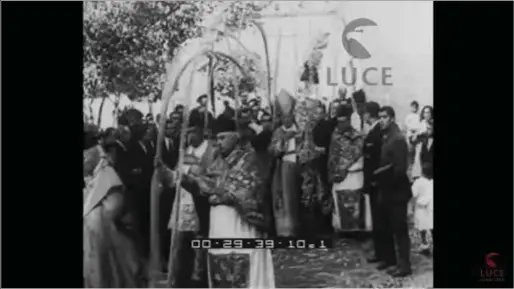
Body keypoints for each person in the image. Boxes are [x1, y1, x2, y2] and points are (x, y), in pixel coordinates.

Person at [165, 115, 275, 288]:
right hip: (219, 227)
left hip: (240, 227)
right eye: (216, 138)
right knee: (220, 272)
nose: (218, 142)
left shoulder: (249, 160)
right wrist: (173, 176)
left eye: (223, 137)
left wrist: (214, 189)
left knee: (244, 275)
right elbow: (203, 185)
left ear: (235, 136)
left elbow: (244, 191)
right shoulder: (216, 163)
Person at [83, 141, 146, 287]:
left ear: (92, 157)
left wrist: (94, 216)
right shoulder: (94, 177)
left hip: (112, 240)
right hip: (97, 240)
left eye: (85, 159)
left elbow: (114, 209)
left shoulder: (109, 177)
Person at [166, 116, 216, 288]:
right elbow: (174, 177)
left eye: (193, 131)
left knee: (201, 246)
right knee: (180, 246)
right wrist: (163, 172)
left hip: (202, 205)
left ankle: (200, 279)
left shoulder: (212, 151)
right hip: (183, 206)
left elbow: (211, 178)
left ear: (203, 131)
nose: (189, 136)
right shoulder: (184, 151)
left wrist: (195, 175)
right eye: (186, 132)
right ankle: (179, 279)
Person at [374, 106, 412, 277]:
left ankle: (404, 266)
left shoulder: (397, 139)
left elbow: (400, 168)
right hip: (388, 190)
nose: (381, 120)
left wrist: (382, 176)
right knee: (388, 227)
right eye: (380, 117)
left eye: (384, 117)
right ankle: (393, 262)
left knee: (400, 230)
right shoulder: (388, 136)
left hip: (397, 191)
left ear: (392, 118)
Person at [328, 104, 365, 233]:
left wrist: (344, 166)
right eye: (338, 121)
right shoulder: (335, 133)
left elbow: (357, 152)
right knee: (340, 202)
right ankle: (343, 228)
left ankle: (356, 228)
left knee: (354, 203)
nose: (340, 124)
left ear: (349, 121)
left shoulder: (356, 136)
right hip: (338, 175)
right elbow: (332, 154)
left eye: (343, 121)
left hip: (352, 174)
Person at [269, 113, 300, 237]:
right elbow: (273, 150)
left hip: (299, 164)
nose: (287, 119)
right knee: (286, 196)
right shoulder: (278, 131)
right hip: (284, 165)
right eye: (284, 117)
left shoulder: (300, 130)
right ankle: (286, 230)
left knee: (298, 196)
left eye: (289, 116)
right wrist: (284, 140)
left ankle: (299, 227)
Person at [362, 101, 384, 263]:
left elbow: (376, 159)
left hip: (376, 182)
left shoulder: (377, 132)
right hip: (373, 181)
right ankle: (379, 252)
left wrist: (373, 180)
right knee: (377, 219)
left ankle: (381, 253)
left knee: (380, 219)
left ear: (368, 114)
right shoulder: (374, 131)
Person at [411, 163, 433, 256]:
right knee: (431, 225)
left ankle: (424, 244)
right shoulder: (431, 182)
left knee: (422, 227)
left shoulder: (418, 182)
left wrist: (413, 205)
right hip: (431, 207)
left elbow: (414, 194)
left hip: (421, 207)